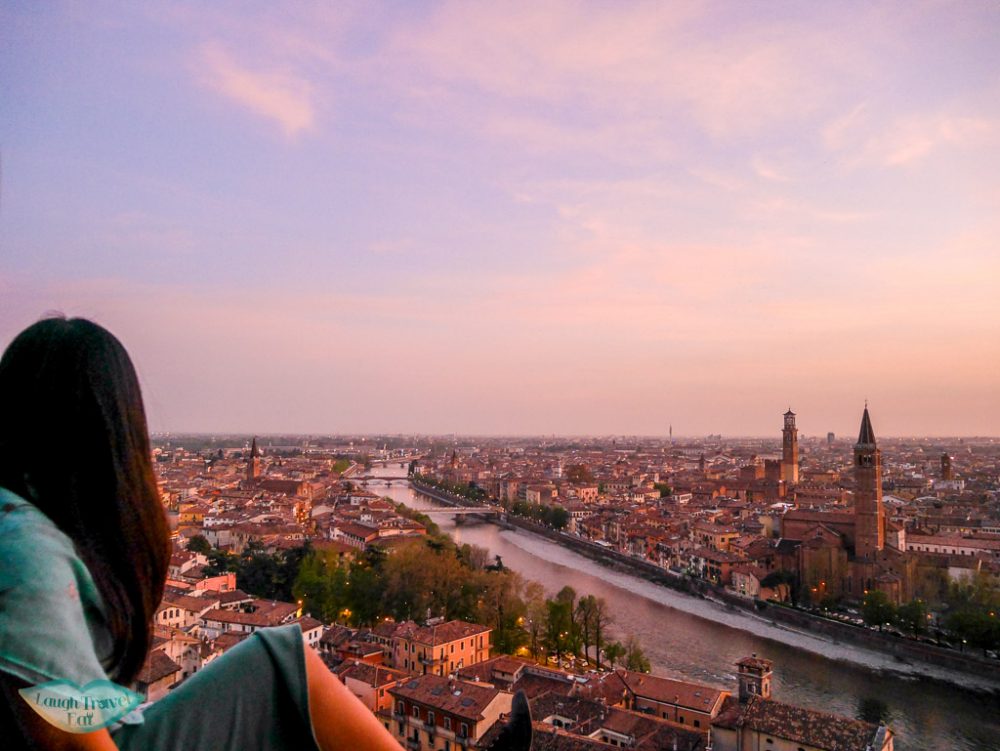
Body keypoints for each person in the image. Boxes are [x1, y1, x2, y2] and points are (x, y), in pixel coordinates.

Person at [0, 317, 404, 750]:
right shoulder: (22, 547)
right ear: (115, 429)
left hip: (119, 725)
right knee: (282, 663)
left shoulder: (23, 525)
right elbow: (72, 744)